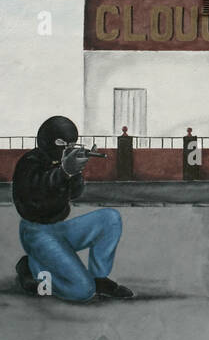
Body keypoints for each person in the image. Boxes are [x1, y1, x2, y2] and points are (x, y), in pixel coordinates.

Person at [12, 115, 134, 302]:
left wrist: (75, 172)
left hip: (59, 228)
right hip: (36, 232)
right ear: (47, 139)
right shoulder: (30, 162)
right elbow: (35, 192)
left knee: (110, 218)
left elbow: (74, 193)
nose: (66, 147)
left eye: (71, 143)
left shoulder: (62, 161)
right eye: (61, 142)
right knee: (82, 291)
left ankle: (99, 277)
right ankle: (31, 266)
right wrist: (64, 171)